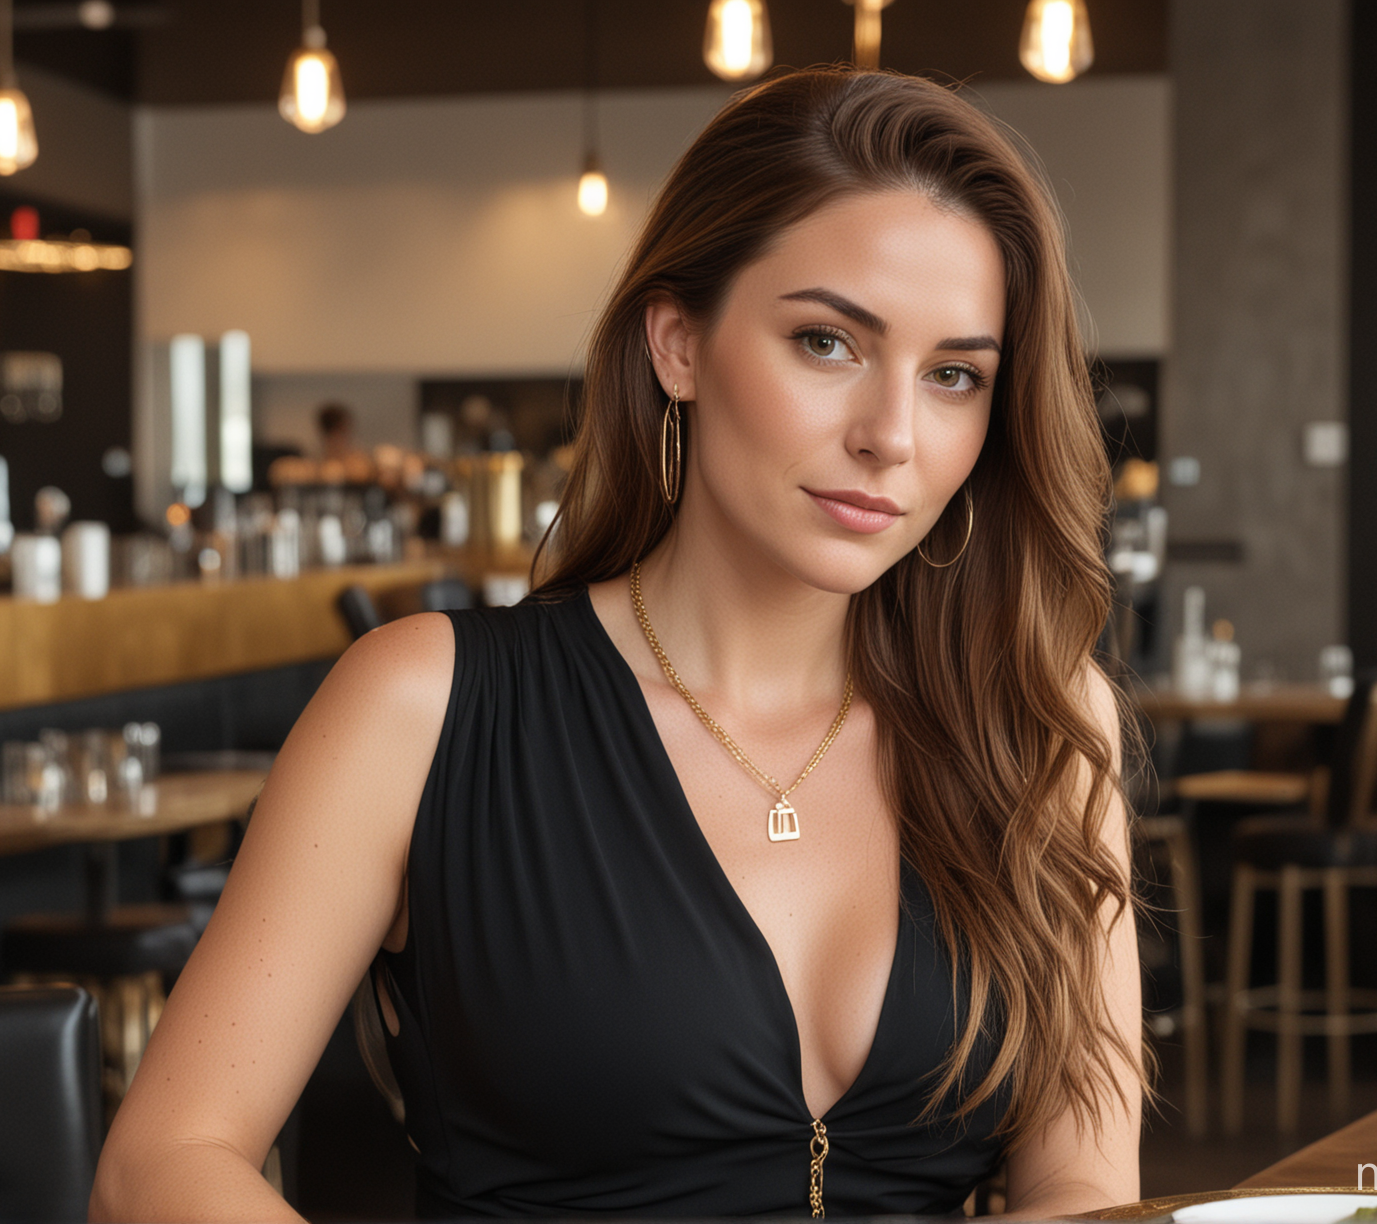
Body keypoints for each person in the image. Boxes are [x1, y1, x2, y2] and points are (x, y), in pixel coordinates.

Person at [91, 68, 1142, 1221]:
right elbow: (165, 1163)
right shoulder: (425, 709)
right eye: (828, 343)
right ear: (678, 344)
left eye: (954, 376)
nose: (893, 435)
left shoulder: (1036, 720)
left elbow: (1084, 1183)